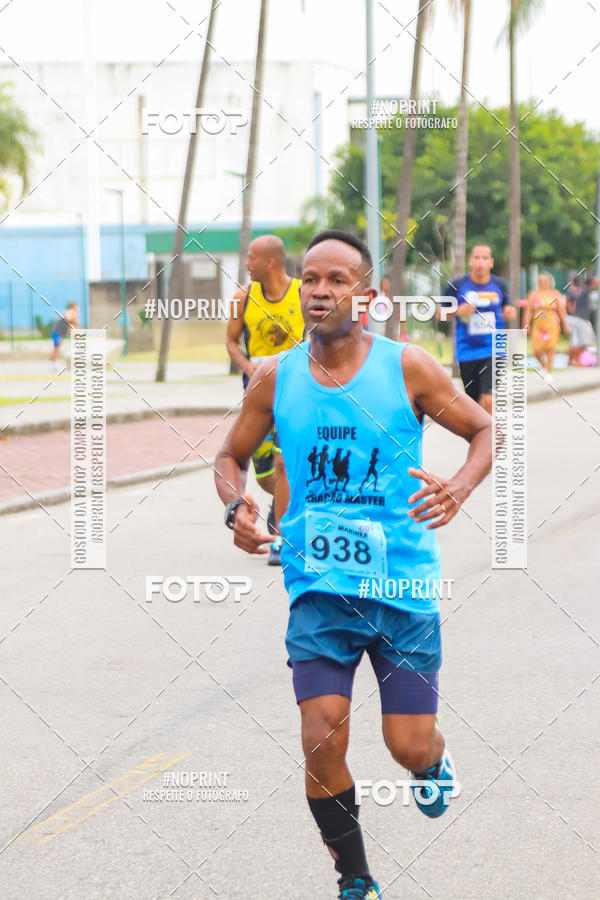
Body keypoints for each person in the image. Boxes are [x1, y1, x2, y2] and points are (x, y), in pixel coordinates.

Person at [216, 230, 492, 899]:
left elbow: (484, 429)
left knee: (407, 744)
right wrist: (236, 508)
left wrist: (457, 487)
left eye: (337, 279)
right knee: (321, 738)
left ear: (363, 294)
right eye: (311, 278)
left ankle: (432, 763)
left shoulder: (409, 367)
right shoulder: (273, 377)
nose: (319, 290)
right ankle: (356, 877)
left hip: (401, 586)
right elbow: (229, 457)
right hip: (319, 588)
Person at [225, 235, 304, 564]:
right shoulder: (241, 297)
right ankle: (284, 502)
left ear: (270, 262)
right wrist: (249, 368)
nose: (246, 264)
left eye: (251, 258)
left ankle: (283, 539)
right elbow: (231, 342)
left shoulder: (303, 293)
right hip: (258, 396)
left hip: (297, 392)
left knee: (285, 463)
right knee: (264, 475)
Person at [441, 244, 517, 413]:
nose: (480, 261)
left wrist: (510, 312)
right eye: (477, 257)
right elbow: (439, 313)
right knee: (474, 404)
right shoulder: (457, 285)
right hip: (467, 351)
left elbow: (507, 308)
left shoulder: (500, 285)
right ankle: (483, 433)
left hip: (493, 349)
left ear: (491, 262)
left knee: (488, 397)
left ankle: (490, 434)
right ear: (470, 261)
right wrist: (457, 311)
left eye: (485, 258)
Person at [524, 272, 569, 383]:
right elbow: (529, 310)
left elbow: (561, 311)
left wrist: (565, 323)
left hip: (552, 324)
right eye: (540, 280)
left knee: (550, 348)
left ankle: (549, 371)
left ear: (549, 281)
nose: (542, 282)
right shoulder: (533, 294)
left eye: (545, 280)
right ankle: (544, 365)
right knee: (536, 349)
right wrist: (526, 324)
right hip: (538, 325)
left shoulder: (555, 293)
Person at [566, 276, 595, 366]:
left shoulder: (573, 291)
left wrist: (572, 310)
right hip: (581, 319)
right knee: (587, 341)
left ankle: (572, 360)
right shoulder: (584, 290)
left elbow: (567, 300)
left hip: (576, 318)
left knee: (575, 341)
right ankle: (574, 359)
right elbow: (596, 282)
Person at [49, 302, 79, 367]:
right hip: (57, 332)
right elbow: (71, 322)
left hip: (58, 332)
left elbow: (69, 324)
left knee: (56, 348)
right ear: (72, 307)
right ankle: (51, 365)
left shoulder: (68, 313)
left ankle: (52, 364)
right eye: (76, 307)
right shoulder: (72, 312)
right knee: (55, 348)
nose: (78, 308)